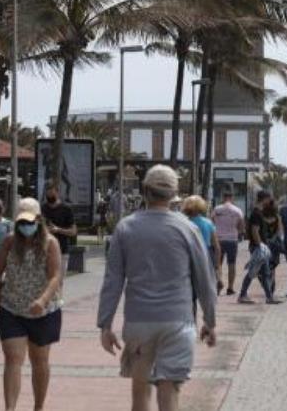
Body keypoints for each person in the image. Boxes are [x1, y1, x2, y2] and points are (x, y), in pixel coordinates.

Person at [97, 165, 216, 411]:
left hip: (139, 321)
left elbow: (113, 280)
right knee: (169, 390)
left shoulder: (126, 227)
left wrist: (105, 324)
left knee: (140, 391)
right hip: (178, 321)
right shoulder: (188, 228)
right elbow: (205, 279)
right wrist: (210, 321)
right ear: (174, 194)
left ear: (145, 190)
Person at [0, 198, 63, 411]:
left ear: (38, 220)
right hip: (12, 308)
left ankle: (38, 406)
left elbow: (55, 277)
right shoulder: (9, 242)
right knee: (13, 358)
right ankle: (10, 408)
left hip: (44, 310)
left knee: (40, 360)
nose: (25, 226)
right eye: (21, 222)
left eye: (29, 222)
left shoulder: (50, 243)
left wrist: (42, 300)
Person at [239, 189, 282, 305]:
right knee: (254, 271)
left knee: (263, 272)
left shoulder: (258, 213)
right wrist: (260, 246)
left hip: (260, 247)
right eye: (269, 198)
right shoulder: (256, 214)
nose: (270, 201)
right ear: (265, 199)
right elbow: (255, 231)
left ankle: (269, 297)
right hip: (258, 247)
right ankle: (243, 295)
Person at [181, 196, 220, 291]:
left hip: (189, 254)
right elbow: (216, 246)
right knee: (206, 284)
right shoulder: (208, 223)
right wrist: (217, 265)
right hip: (206, 254)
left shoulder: (184, 223)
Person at [210, 190, 245, 295]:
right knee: (232, 263)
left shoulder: (217, 209)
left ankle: (218, 283)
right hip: (232, 240)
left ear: (223, 197)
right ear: (232, 197)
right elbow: (241, 226)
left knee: (218, 263)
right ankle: (230, 288)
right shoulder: (237, 210)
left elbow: (211, 222)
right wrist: (237, 231)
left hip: (218, 239)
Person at [41, 185, 77, 257]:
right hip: (45, 250)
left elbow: (73, 232)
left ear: (57, 193)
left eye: (51, 193)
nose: (49, 196)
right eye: (47, 194)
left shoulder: (66, 209)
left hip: (62, 250)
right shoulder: (42, 208)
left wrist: (58, 230)